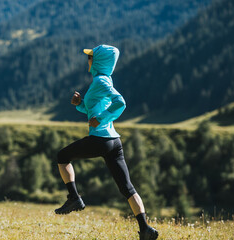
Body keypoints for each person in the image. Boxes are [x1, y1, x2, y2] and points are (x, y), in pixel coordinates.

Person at [54, 45, 159, 240]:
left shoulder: (101, 81)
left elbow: (121, 103)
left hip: (101, 139)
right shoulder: (102, 81)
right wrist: (80, 105)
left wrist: (101, 118)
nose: (88, 60)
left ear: (98, 61)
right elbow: (92, 111)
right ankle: (145, 229)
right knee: (127, 188)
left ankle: (74, 198)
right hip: (114, 141)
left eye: (90, 57)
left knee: (62, 156)